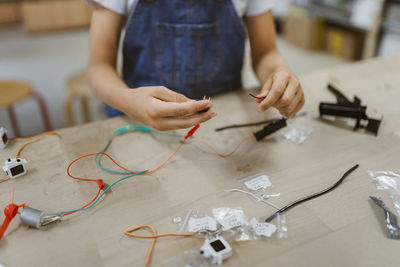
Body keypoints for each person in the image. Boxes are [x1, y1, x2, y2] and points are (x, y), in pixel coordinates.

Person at [86, 0, 305, 131]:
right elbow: (98, 66)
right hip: (138, 124)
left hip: (221, 123)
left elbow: (266, 53)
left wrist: (279, 73)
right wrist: (128, 100)